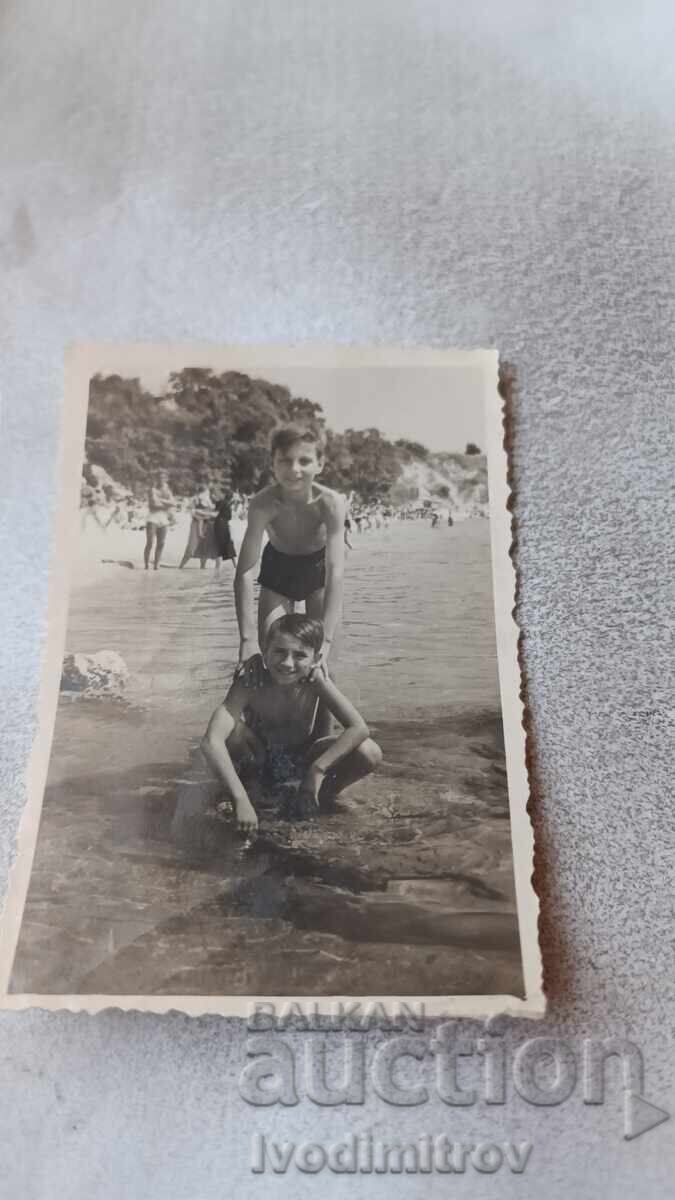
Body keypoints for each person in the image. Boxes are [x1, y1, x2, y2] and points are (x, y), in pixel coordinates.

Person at [200, 614, 382, 835]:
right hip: (259, 761)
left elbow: (359, 727)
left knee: (369, 751)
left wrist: (317, 769)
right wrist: (240, 799)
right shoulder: (250, 681)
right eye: (279, 651)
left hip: (302, 762)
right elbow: (212, 741)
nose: (287, 663)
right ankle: (246, 791)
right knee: (232, 732)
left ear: (316, 658)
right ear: (264, 650)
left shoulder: (316, 681)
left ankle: (316, 795)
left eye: (299, 655)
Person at [234, 424, 346, 667]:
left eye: (304, 461)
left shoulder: (331, 503)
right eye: (285, 461)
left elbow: (336, 572)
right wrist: (246, 639)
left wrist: (326, 641)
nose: (294, 469)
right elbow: (244, 571)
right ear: (272, 462)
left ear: (320, 463)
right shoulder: (262, 504)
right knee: (269, 655)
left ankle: (321, 701)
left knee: (323, 664)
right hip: (278, 567)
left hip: (318, 570)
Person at [179, 481, 219, 569]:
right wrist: (203, 515)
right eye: (207, 491)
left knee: (204, 546)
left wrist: (205, 514)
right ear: (203, 492)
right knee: (192, 545)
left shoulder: (208, 500)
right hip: (196, 523)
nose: (208, 493)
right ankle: (181, 566)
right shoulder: (196, 499)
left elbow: (214, 512)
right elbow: (192, 512)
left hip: (206, 524)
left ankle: (202, 568)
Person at [145, 470, 175, 570]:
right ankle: (146, 564)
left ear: (166, 479)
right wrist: (167, 504)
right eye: (159, 478)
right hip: (153, 517)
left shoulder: (168, 490)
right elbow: (154, 504)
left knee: (161, 543)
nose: (161, 480)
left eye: (163, 478)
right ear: (156, 479)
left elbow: (173, 503)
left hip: (163, 518)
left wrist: (161, 501)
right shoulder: (152, 489)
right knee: (150, 542)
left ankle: (156, 564)